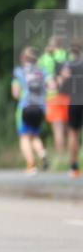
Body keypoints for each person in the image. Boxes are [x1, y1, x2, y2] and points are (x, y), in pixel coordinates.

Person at [12, 46, 50, 175]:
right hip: (40, 107)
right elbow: (51, 86)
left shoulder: (19, 71)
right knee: (34, 135)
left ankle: (31, 165)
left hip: (25, 107)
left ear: (23, 58)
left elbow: (16, 93)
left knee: (24, 137)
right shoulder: (42, 71)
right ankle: (42, 153)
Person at [39, 36, 69, 157]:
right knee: (68, 127)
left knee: (57, 128)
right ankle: (70, 155)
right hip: (68, 95)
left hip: (52, 96)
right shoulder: (67, 55)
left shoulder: (44, 58)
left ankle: (60, 156)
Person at [58, 41, 83, 178]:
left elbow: (62, 80)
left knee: (73, 134)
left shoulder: (70, 64)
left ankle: (74, 167)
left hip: (75, 101)